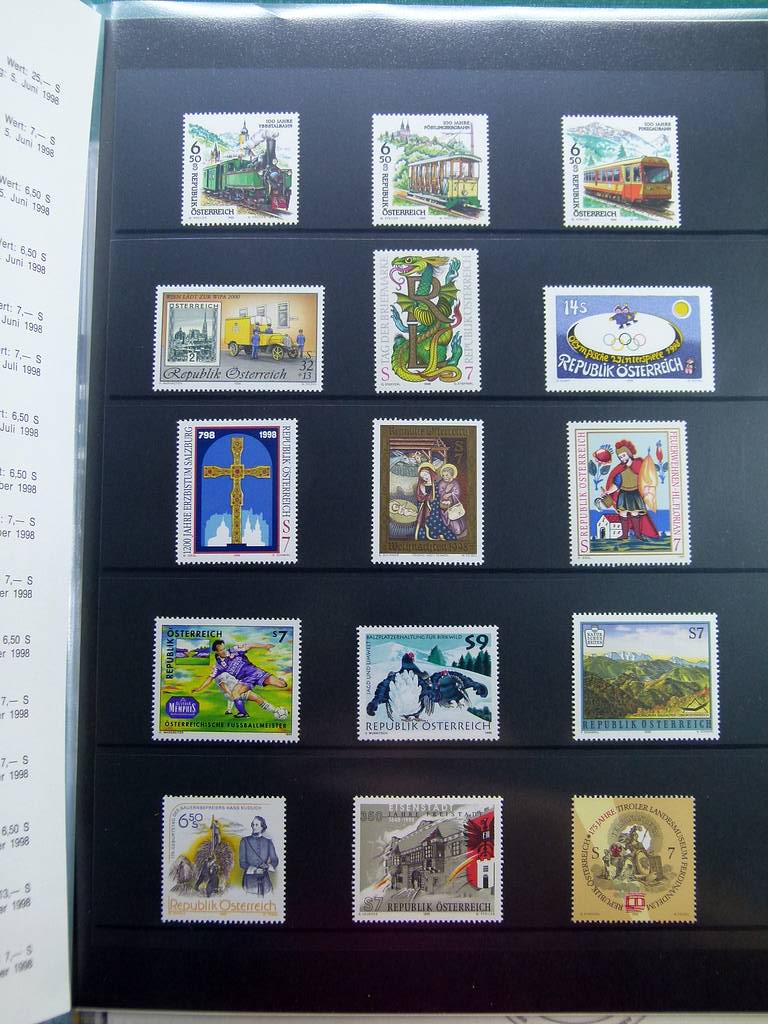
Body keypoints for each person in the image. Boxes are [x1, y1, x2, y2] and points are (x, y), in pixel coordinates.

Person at [192, 639, 289, 720]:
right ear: (216, 652)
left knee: (282, 684)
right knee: (235, 693)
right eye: (221, 650)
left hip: (255, 672)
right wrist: (199, 688)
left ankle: (280, 680)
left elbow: (249, 645)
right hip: (245, 681)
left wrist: (264, 646)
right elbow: (210, 678)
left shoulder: (234, 650)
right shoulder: (218, 666)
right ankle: (243, 713)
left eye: (224, 648)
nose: (224, 651)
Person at [601, 439, 659, 541]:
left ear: (629, 454)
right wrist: (607, 492)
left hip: (635, 494)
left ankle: (638, 535)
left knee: (635, 513)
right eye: (620, 457)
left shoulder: (640, 465)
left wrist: (647, 489)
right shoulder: (620, 470)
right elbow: (616, 485)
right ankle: (624, 535)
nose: (622, 458)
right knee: (623, 513)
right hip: (623, 494)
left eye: (623, 455)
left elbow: (646, 478)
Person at [239, 815, 278, 895]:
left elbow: (275, 860)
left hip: (265, 879)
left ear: (262, 827)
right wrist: (252, 868)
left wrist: (267, 866)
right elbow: (242, 862)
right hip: (249, 880)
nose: (254, 827)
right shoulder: (245, 841)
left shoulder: (268, 842)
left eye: (256, 825)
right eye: (253, 824)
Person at [437, 463, 467, 539]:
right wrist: (446, 492)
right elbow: (440, 493)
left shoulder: (455, 482)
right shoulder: (441, 483)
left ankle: (459, 529)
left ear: (452, 475)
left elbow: (457, 493)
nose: (445, 477)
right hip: (444, 505)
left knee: (456, 516)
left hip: (453, 504)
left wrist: (450, 494)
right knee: (446, 517)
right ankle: (448, 529)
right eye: (443, 475)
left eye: (447, 475)